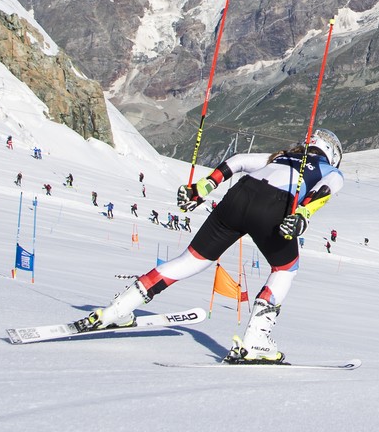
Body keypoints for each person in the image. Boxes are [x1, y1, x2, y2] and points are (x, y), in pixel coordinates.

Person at [79, 129, 345, 364]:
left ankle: (118, 309)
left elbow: (239, 160)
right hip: (275, 206)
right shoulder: (330, 170)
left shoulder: (279, 156)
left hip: (238, 196)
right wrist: (302, 216)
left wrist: (204, 186)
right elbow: (325, 189)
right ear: (332, 154)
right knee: (285, 269)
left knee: (191, 260)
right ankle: (256, 340)